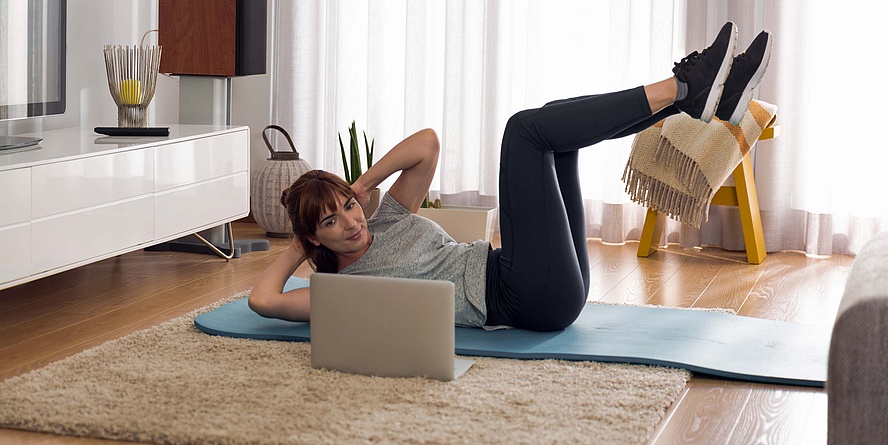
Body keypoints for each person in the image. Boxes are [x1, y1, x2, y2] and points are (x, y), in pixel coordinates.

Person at [248, 22, 772, 331]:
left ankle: (695, 104)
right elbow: (263, 300)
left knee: (552, 126)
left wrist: (363, 183)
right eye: (331, 223)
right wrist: (298, 246)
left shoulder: (384, 219)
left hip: (543, 282)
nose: (350, 222)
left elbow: (427, 143)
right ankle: (684, 90)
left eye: (348, 207)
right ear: (315, 236)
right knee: (524, 131)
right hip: (524, 296)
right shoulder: (340, 289)